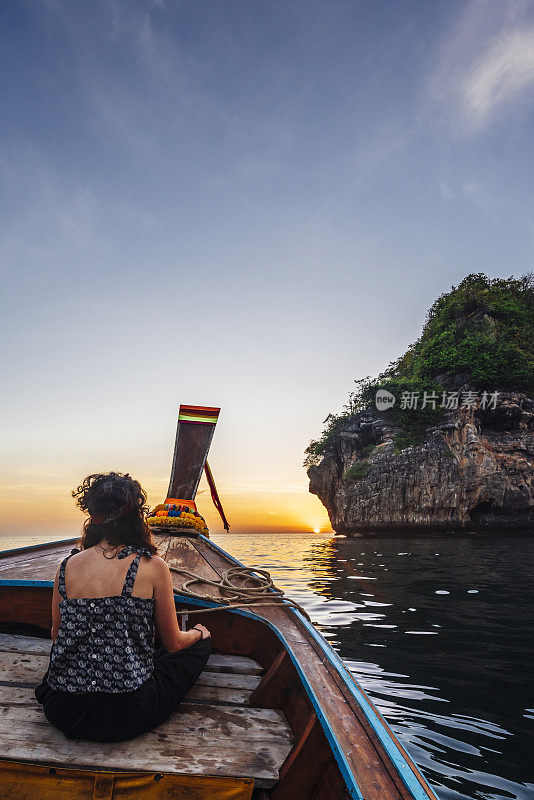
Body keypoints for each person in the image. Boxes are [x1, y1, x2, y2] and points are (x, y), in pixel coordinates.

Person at [34, 471, 212, 742]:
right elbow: (174, 643)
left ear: (93, 516)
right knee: (190, 648)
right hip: (126, 715)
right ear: (136, 514)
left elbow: (56, 636)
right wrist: (199, 634)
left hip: (64, 710)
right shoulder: (153, 566)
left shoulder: (66, 566)